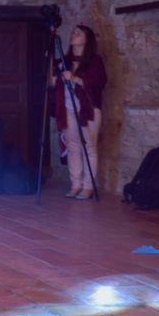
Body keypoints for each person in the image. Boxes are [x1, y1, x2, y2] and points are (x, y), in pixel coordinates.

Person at [52, 23, 107, 200]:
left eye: (78, 34)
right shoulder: (64, 60)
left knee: (89, 147)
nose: (74, 35)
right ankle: (75, 184)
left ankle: (88, 186)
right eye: (74, 33)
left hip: (88, 109)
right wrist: (55, 79)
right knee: (73, 146)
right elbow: (55, 83)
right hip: (68, 108)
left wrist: (75, 78)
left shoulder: (94, 61)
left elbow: (98, 83)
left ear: (86, 40)